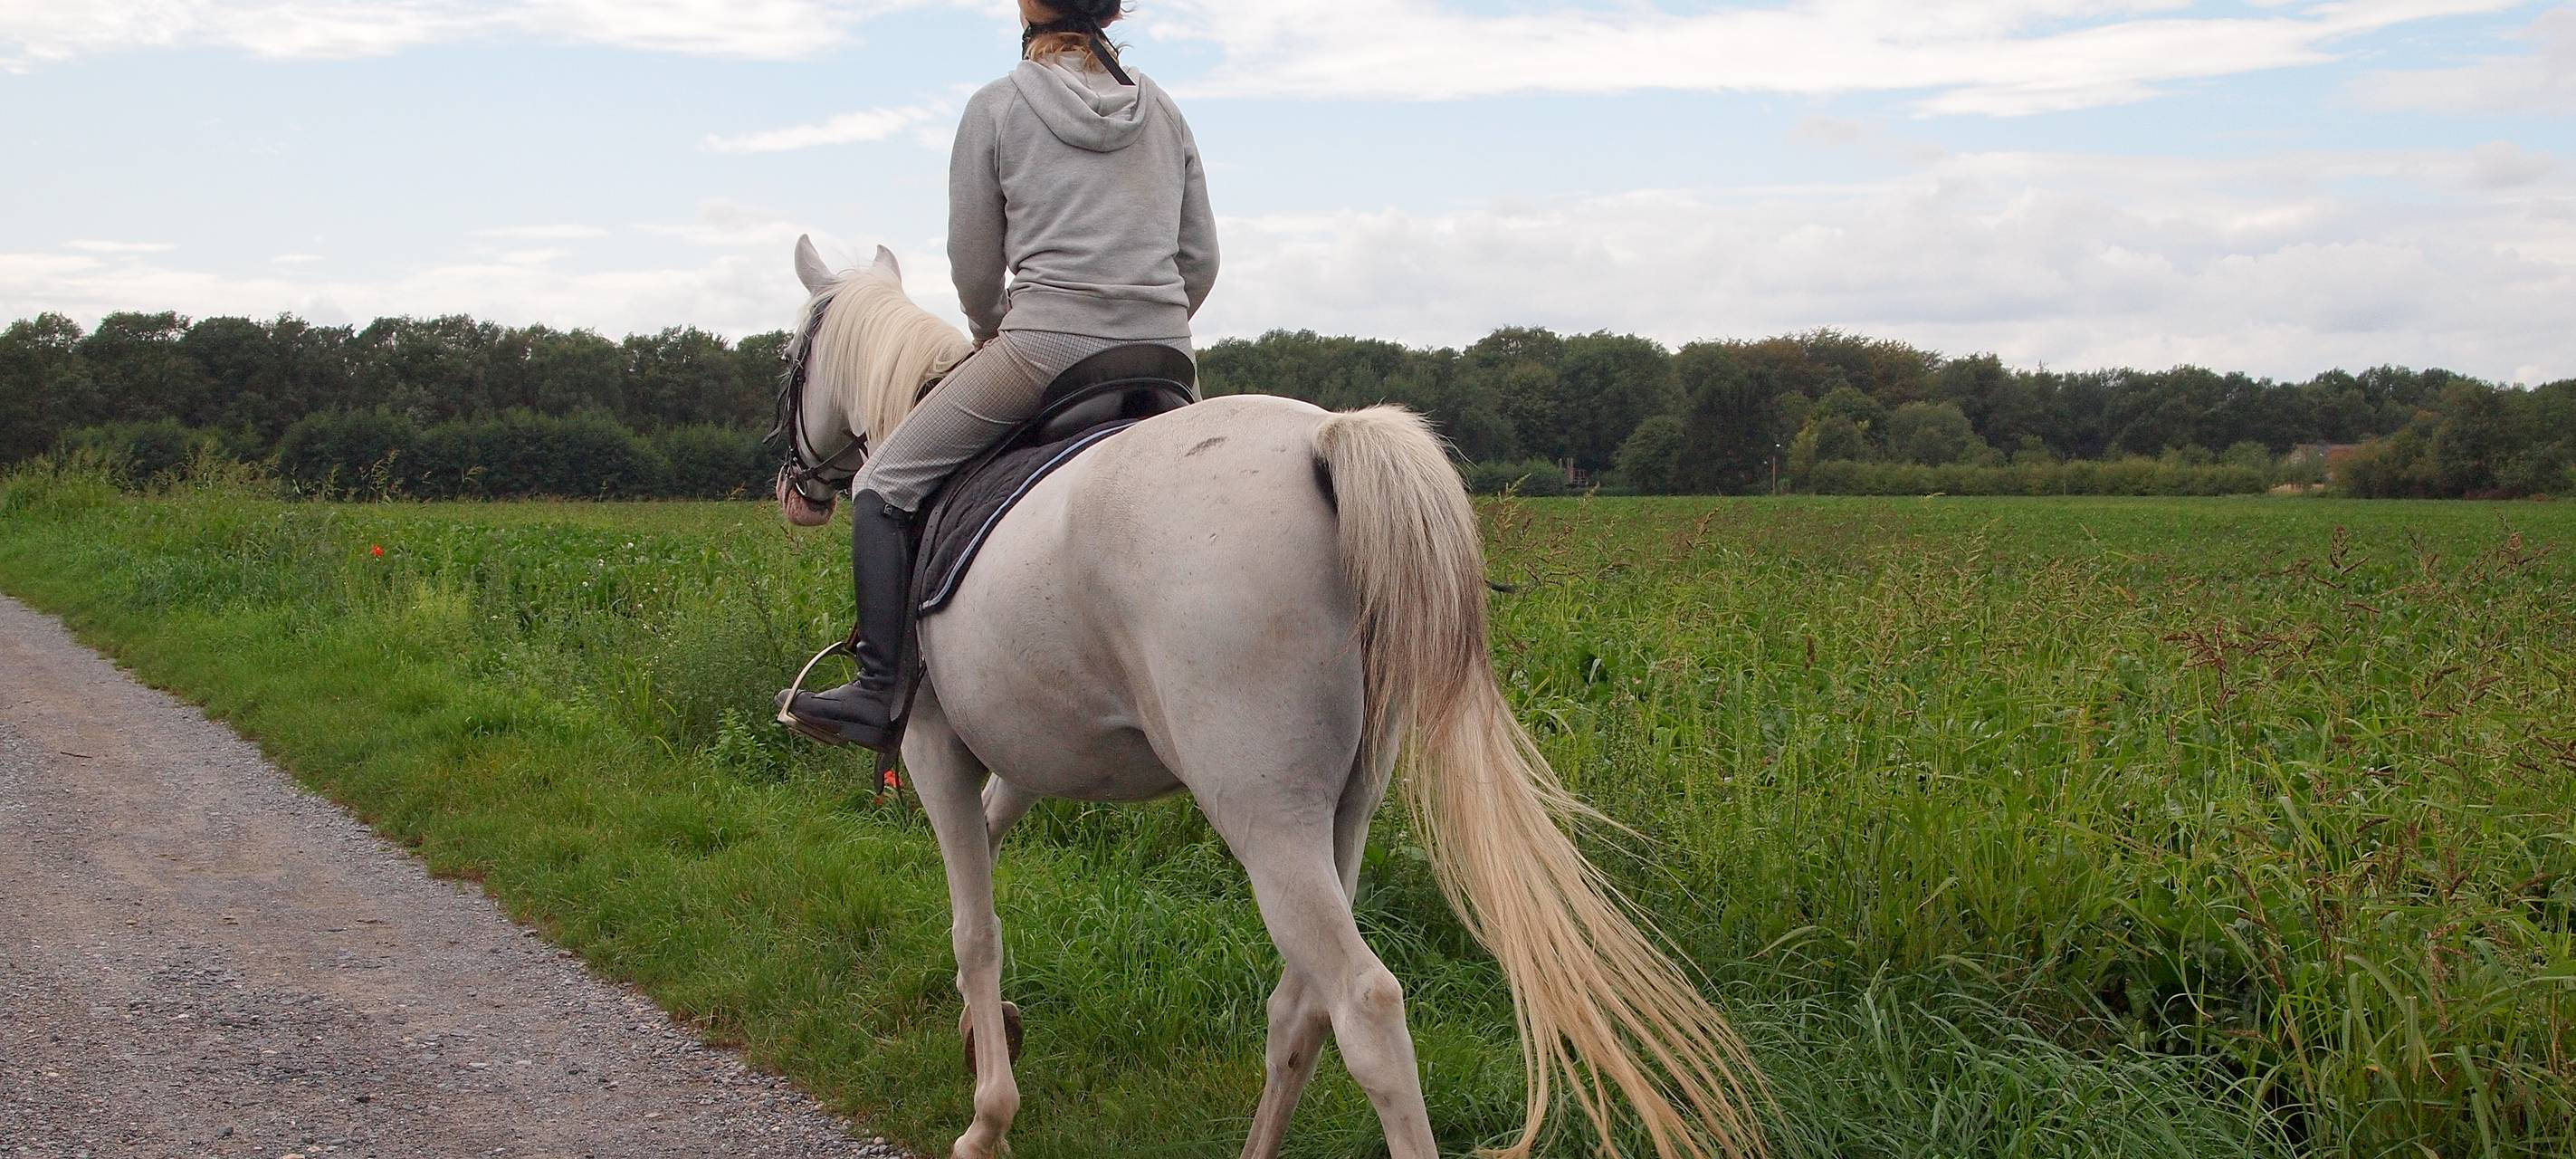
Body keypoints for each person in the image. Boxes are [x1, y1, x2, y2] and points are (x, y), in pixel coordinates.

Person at [783, 0, 1219, 750]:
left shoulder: (995, 107)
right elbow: (1200, 259)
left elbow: (974, 265)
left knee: (881, 485)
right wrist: (1156, 320)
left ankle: (880, 690)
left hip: (1047, 352)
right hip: (1168, 360)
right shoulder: (1166, 113)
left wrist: (993, 332)